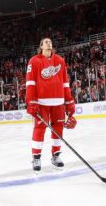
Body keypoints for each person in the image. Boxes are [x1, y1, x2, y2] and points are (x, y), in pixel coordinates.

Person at [25, 38, 75, 172]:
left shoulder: (60, 60)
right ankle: (36, 157)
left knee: (58, 130)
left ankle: (56, 155)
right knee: (39, 129)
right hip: (41, 102)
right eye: (46, 42)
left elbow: (65, 82)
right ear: (41, 46)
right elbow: (30, 83)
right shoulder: (34, 61)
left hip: (58, 102)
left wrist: (69, 101)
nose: (49, 44)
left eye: (50, 42)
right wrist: (31, 101)